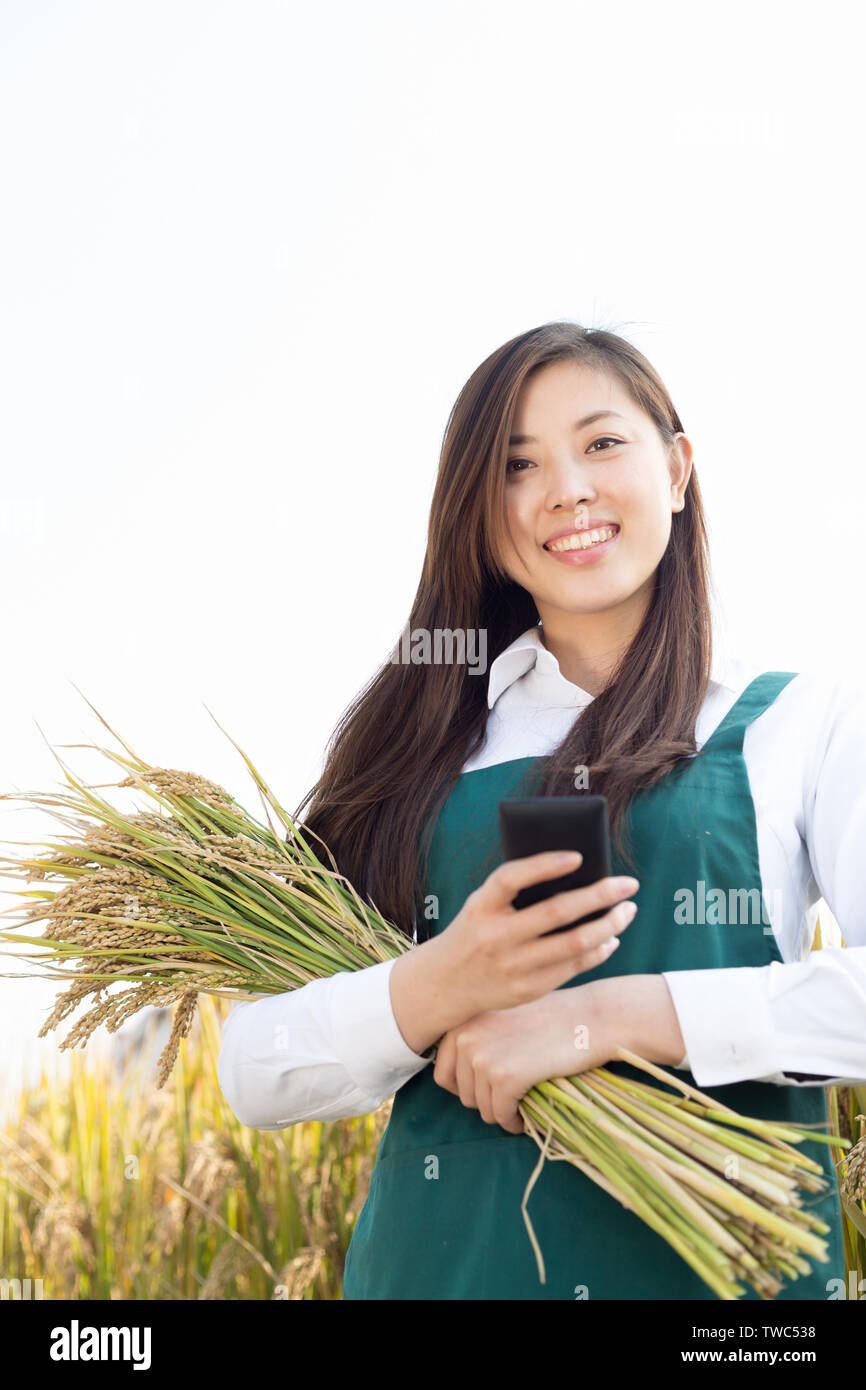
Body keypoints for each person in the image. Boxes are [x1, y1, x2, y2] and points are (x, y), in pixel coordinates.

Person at [217, 321, 866, 1300]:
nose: (566, 487)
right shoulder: (416, 743)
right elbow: (252, 1071)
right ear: (479, 514)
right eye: (518, 465)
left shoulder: (796, 719)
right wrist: (437, 983)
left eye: (601, 443)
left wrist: (610, 1015)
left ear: (678, 467)